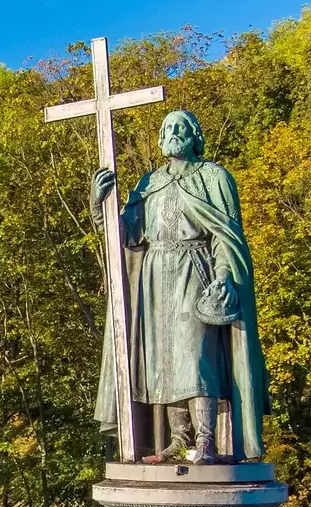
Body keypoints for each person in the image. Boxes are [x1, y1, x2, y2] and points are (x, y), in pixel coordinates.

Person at [92, 110, 268, 464]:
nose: (173, 133)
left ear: (194, 136)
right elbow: (127, 236)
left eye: (181, 127)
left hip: (195, 270)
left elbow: (226, 236)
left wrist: (224, 276)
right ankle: (178, 441)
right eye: (167, 128)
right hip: (155, 279)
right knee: (164, 361)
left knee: (194, 355)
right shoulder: (150, 182)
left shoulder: (214, 177)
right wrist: (100, 206)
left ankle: (206, 441)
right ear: (160, 139)